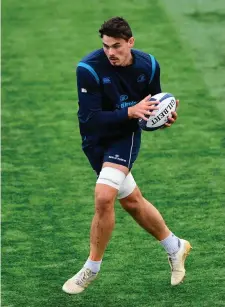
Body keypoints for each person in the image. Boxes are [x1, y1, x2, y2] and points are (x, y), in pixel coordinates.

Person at [62, 17, 191, 294]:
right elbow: (90, 119)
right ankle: (175, 246)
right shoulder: (88, 69)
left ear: (130, 43)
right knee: (132, 201)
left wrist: (163, 117)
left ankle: (91, 268)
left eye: (117, 46)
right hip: (94, 140)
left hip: (124, 138)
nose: (111, 52)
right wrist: (130, 111)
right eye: (106, 46)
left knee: (104, 195)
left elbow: (152, 108)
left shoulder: (149, 65)